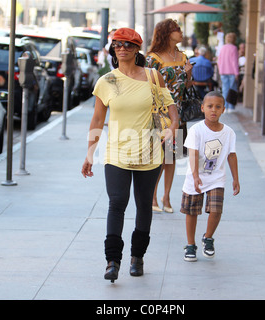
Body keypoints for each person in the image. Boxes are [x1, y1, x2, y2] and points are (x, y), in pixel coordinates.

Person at [81, 28, 178, 282]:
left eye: (128, 44)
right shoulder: (107, 81)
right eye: (117, 44)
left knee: (144, 205)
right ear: (113, 49)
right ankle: (112, 261)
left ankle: (137, 257)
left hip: (149, 150)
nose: (122, 48)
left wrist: (172, 129)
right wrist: (90, 153)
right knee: (117, 203)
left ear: (137, 49)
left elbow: (169, 110)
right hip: (116, 152)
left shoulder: (153, 77)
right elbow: (98, 118)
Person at [180, 91, 240, 261]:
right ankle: (190, 245)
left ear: (223, 110)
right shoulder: (196, 130)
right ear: (202, 108)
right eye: (210, 106)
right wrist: (195, 175)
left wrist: (236, 178)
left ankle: (208, 237)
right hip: (195, 178)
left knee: (216, 209)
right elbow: (193, 153)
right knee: (191, 212)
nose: (213, 110)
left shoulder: (228, 133)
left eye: (218, 107)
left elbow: (231, 155)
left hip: (216, 178)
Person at [145, 18, 193, 214]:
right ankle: (153, 195)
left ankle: (167, 196)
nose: (180, 33)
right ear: (166, 32)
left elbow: (187, 86)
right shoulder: (153, 58)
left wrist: (188, 74)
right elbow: (146, 86)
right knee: (159, 157)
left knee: (171, 158)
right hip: (158, 114)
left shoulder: (183, 56)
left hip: (178, 113)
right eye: (176, 29)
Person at [217, 32, 239, 113]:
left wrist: (220, 70)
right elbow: (234, 62)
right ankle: (231, 107)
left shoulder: (222, 48)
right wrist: (237, 73)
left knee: (225, 89)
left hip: (223, 71)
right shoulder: (234, 48)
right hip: (232, 72)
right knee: (232, 89)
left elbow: (219, 60)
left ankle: (225, 107)